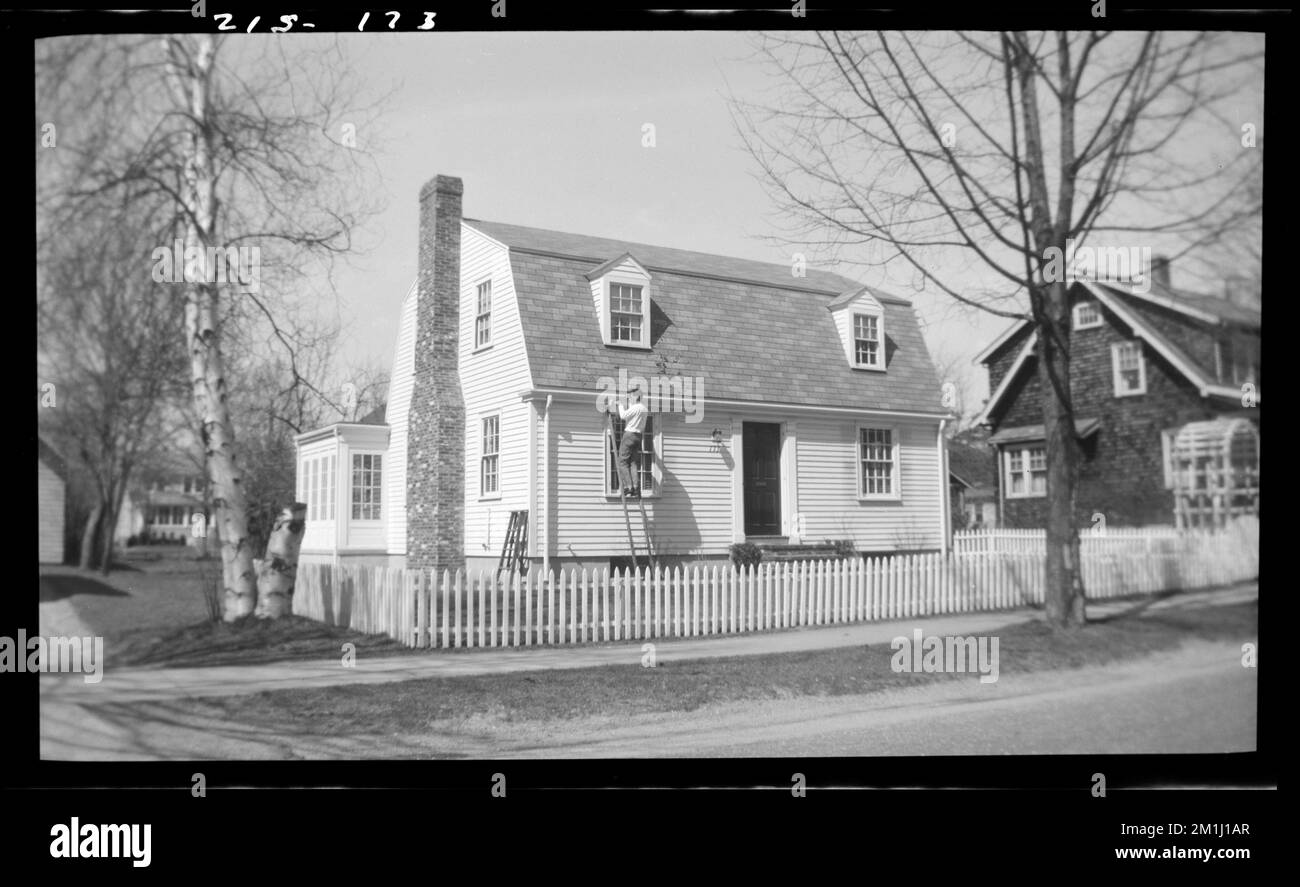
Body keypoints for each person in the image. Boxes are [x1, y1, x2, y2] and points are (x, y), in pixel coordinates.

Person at [616, 384, 649, 498]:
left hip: (629, 435)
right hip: (638, 437)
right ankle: (635, 488)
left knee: (623, 462)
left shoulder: (635, 408)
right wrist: (629, 400)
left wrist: (620, 404)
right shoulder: (644, 408)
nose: (630, 398)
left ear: (636, 397)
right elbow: (632, 409)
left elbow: (623, 416)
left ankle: (628, 487)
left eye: (631, 396)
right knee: (633, 463)